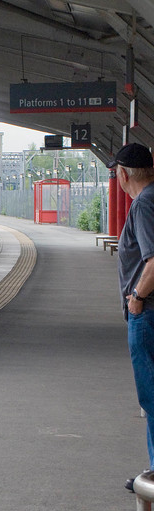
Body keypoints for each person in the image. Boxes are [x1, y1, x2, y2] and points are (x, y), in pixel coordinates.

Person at [110, 143, 154, 492]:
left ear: (123, 175)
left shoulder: (144, 205)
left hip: (149, 314)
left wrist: (137, 298)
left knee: (152, 398)